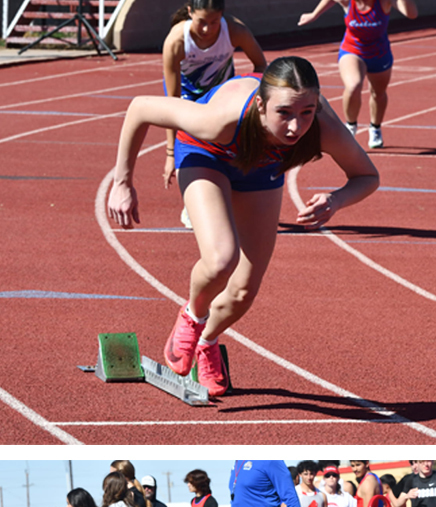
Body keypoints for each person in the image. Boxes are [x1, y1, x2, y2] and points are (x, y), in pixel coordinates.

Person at [107, 56, 379, 397]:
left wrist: (337, 200)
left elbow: (367, 176)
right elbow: (140, 108)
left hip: (260, 168)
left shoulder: (322, 126)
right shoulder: (221, 118)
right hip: (207, 155)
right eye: (284, 113)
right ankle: (192, 318)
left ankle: (207, 342)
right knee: (222, 259)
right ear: (263, 106)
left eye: (306, 112)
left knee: (243, 291)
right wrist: (122, 182)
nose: (296, 127)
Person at [161, 0, 267, 224]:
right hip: (187, 95)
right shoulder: (177, 41)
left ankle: (226, 195)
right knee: (193, 143)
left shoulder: (235, 31)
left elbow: (261, 65)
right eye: (201, 22)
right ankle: (193, 203)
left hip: (222, 93)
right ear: (189, 12)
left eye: (214, 22)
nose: (208, 29)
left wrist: (250, 94)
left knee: (228, 144)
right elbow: (171, 101)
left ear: (223, 16)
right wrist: (170, 153)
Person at [297, 0, 418, 149]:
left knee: (378, 93)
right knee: (353, 85)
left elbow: (412, 14)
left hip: (379, 54)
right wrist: (314, 14)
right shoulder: (348, 2)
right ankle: (350, 126)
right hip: (352, 50)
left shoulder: (384, 2)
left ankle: (375, 128)